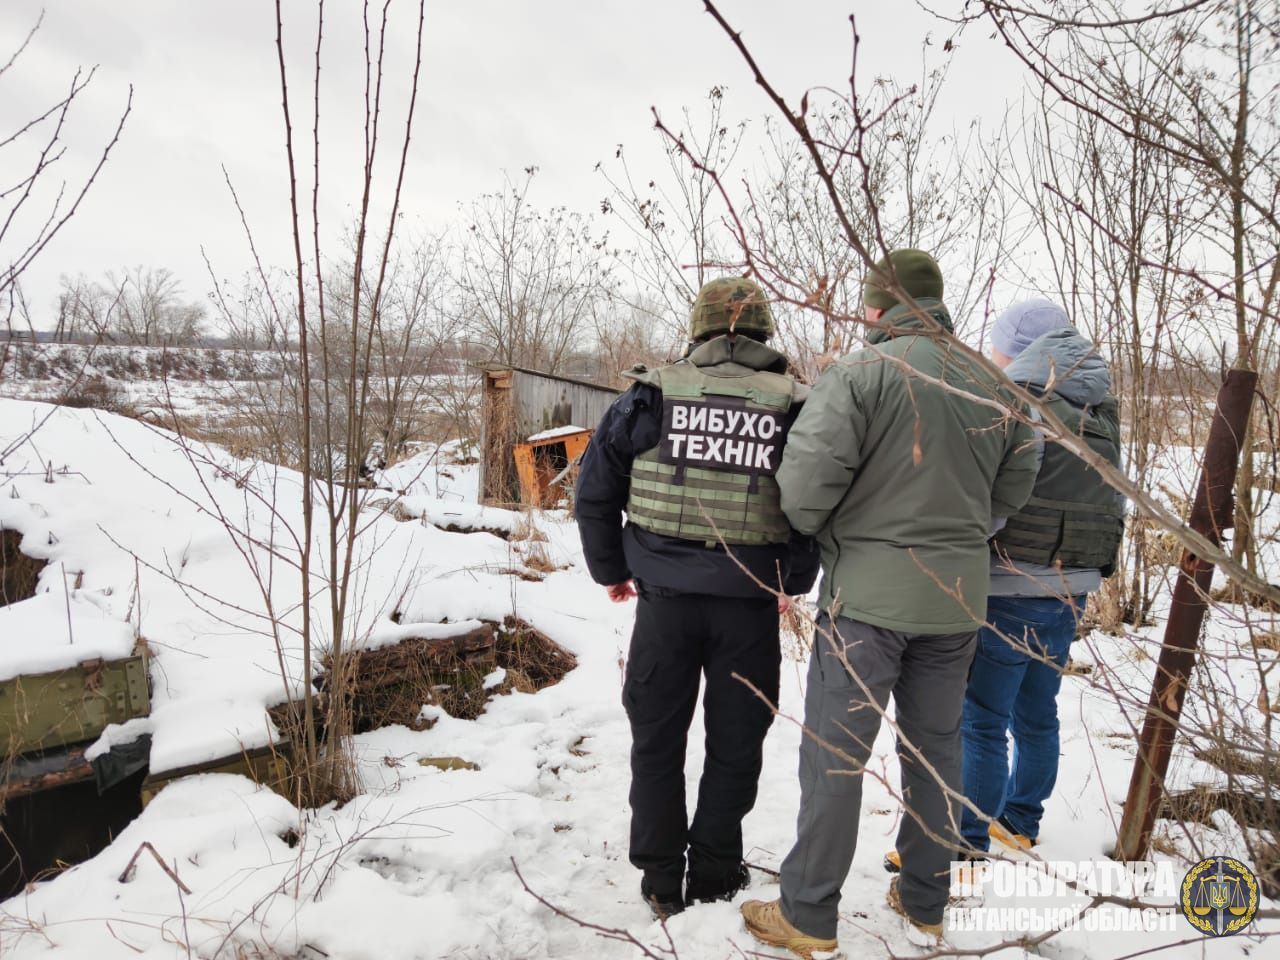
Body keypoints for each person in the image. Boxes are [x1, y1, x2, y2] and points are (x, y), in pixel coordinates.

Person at [740, 249, 1039, 956]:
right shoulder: (995, 386)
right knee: (937, 753)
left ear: (877, 306)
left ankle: (809, 915)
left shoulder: (859, 375)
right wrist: (961, 535)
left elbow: (803, 488)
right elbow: (1014, 488)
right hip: (956, 602)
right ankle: (927, 899)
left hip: (866, 606)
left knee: (835, 759)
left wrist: (839, 532)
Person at [575, 276, 820, 919]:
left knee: (657, 738)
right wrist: (789, 581)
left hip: (664, 604)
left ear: (698, 328)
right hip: (747, 607)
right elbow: (817, 503)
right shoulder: (796, 405)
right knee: (736, 742)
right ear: (765, 331)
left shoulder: (650, 395)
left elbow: (595, 490)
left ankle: (660, 880)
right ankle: (714, 874)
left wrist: (612, 571)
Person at [959, 299, 1124, 855]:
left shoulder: (1016, 403)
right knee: (1036, 710)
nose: (992, 354)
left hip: (1009, 583)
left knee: (980, 719)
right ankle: (1021, 820)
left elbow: (994, 503)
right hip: (1072, 587)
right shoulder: (1102, 407)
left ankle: (964, 839)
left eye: (998, 343)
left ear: (1019, 348)